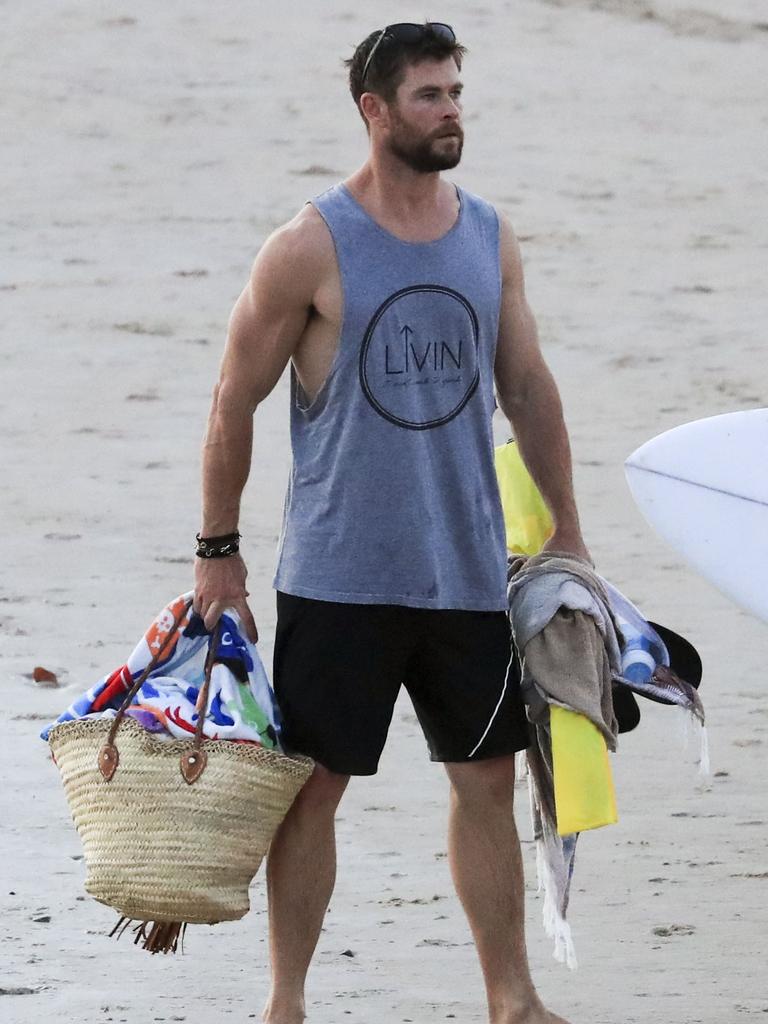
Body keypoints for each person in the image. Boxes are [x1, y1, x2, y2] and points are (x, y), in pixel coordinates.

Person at [193, 22, 587, 1024]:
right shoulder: (311, 245)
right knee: (316, 786)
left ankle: (511, 998)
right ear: (375, 112)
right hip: (339, 573)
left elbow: (530, 387)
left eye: (456, 91)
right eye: (428, 95)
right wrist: (218, 551)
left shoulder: (487, 235)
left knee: (487, 778)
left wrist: (570, 536)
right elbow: (231, 400)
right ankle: (286, 1001)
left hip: (463, 566)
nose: (452, 109)